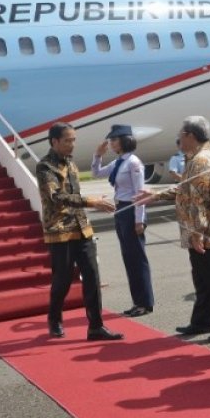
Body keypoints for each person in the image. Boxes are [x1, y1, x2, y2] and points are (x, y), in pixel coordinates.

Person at [135, 116, 210, 343]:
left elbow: (198, 200)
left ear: (190, 136)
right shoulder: (194, 157)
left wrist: (197, 233)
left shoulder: (202, 160)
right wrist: (156, 195)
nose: (179, 139)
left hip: (207, 231)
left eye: (181, 135)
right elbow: (185, 189)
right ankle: (203, 321)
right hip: (199, 230)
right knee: (203, 278)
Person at [36, 123, 123, 341]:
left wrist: (92, 202)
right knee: (62, 280)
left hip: (81, 227)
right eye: (67, 140)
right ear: (54, 142)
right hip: (60, 230)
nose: (72, 144)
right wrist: (91, 202)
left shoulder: (72, 164)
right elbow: (57, 197)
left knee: (92, 276)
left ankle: (96, 326)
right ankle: (54, 317)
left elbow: (74, 195)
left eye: (73, 140)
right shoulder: (45, 167)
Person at [91, 125, 155, 317]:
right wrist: (97, 156)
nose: (110, 143)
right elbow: (96, 173)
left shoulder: (134, 163)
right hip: (121, 211)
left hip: (131, 211)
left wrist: (139, 220)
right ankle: (137, 301)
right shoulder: (120, 162)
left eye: (114, 140)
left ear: (125, 140)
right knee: (129, 259)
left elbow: (140, 194)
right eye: (110, 140)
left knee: (137, 259)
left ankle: (145, 302)